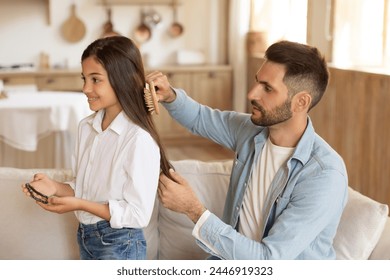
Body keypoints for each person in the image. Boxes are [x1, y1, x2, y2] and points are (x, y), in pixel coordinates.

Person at [148, 40, 348, 260]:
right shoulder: (251, 131)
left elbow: (268, 260)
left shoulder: (323, 175)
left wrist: (193, 210)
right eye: (257, 82)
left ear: (300, 102)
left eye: (267, 88)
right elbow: (200, 118)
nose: (252, 94)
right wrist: (169, 95)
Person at [22, 36, 173, 260]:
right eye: (84, 78)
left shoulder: (138, 139)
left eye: (95, 79)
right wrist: (53, 187)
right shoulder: (86, 128)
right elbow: (85, 188)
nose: (85, 88)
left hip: (120, 244)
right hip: (85, 237)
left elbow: (138, 215)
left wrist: (80, 204)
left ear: (122, 80)